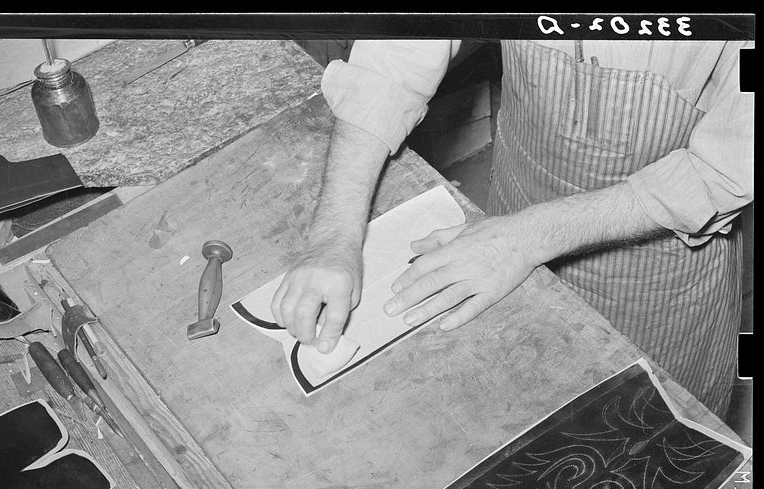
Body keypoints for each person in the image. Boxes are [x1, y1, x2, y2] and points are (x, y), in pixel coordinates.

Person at [270, 39, 753, 417]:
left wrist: (523, 238)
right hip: (513, 206)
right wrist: (334, 235)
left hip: (661, 262)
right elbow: (400, 47)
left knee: (642, 448)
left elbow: (723, 170)